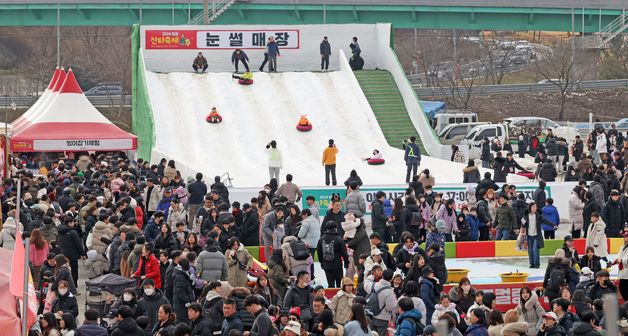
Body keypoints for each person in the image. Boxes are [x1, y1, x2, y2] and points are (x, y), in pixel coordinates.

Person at [364, 267, 397, 336]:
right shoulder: (389, 291)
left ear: (382, 276)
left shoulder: (373, 285)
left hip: (372, 315)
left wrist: (372, 276)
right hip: (383, 318)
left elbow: (366, 284)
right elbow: (390, 307)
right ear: (391, 279)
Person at [317, 221, 349, 288]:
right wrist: (346, 263)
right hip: (337, 265)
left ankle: (331, 297)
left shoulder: (321, 239)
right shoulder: (339, 239)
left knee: (330, 284)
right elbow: (344, 253)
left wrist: (322, 262)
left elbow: (319, 252)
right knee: (339, 284)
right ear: (336, 228)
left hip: (326, 265)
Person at [57, 217, 85, 288]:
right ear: (70, 223)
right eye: (73, 222)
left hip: (63, 254)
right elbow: (78, 244)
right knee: (74, 271)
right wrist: (82, 254)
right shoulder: (72, 232)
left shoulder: (60, 231)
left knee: (64, 270)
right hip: (73, 255)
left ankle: (65, 285)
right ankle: (74, 285)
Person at [173, 258, 195, 324]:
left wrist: (192, 281)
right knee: (183, 322)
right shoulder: (180, 276)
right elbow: (180, 291)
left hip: (183, 304)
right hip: (182, 305)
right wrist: (187, 301)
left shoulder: (184, 274)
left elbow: (188, 287)